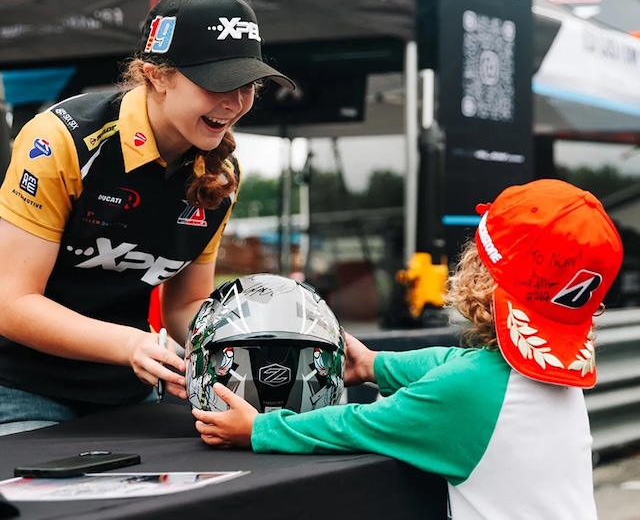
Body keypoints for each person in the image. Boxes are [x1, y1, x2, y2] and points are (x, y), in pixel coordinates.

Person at [192, 178, 623, 519]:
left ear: (481, 274)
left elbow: (355, 423)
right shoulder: (546, 379)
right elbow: (454, 362)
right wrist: (374, 365)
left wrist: (260, 430)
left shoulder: (465, 392)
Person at [0, 0, 294, 436]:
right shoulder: (62, 140)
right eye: (217, 82)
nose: (235, 103)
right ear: (155, 74)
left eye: (249, 84)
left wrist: (264, 338)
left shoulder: (219, 174)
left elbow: (188, 305)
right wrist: (130, 344)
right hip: (20, 386)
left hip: (130, 389)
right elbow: (11, 303)